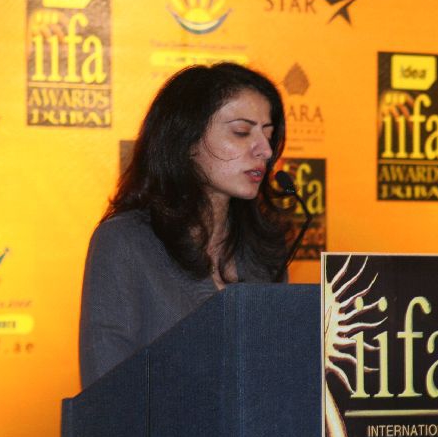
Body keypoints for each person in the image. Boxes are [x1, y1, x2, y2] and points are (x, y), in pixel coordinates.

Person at [79, 63, 291, 389]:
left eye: (268, 134)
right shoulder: (125, 242)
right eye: (241, 132)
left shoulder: (266, 252)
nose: (264, 150)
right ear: (187, 141)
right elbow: (105, 391)